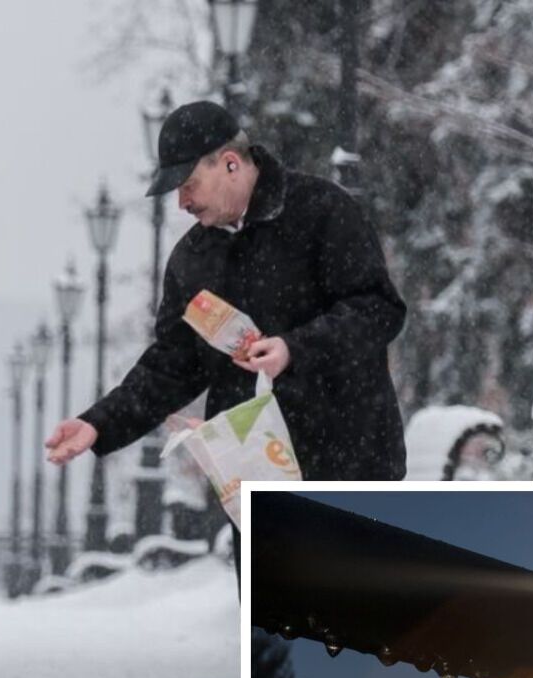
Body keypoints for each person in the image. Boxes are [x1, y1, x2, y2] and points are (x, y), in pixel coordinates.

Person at [45, 99, 408, 490]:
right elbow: (171, 366)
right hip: (256, 481)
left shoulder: (321, 210)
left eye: (188, 185)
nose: (182, 202)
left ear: (231, 163)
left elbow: (378, 309)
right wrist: (99, 423)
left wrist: (294, 349)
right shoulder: (192, 261)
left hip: (352, 467)